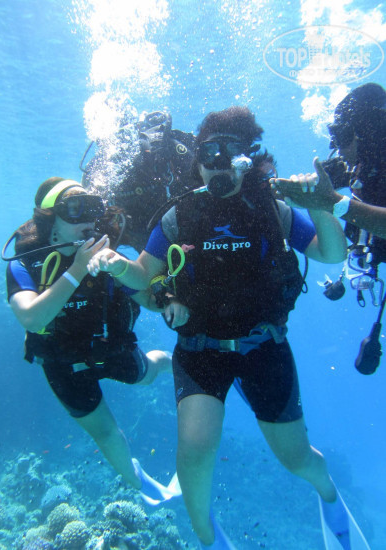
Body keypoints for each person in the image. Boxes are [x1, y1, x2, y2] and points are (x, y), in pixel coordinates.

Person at [86, 107, 370, 549]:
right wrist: (116, 265)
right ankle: (209, 538)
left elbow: (331, 254)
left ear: (246, 159)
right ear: (196, 162)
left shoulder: (272, 208)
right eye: (208, 153)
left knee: (296, 459)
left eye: (230, 152)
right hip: (200, 349)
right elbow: (143, 274)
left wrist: (321, 206)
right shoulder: (178, 216)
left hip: (264, 347)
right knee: (193, 454)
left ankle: (329, 494)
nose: (218, 163)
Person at [4, 177, 180, 505]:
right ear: (49, 220)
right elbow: (31, 318)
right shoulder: (25, 263)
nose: (87, 220)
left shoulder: (107, 256)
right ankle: (140, 484)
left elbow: (151, 301)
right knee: (105, 433)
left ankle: (179, 365)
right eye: (74, 209)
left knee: (147, 374)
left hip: (111, 347)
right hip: (62, 363)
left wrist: (126, 270)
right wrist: (77, 269)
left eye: (92, 210)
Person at [272, 83, 386, 239]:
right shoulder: (353, 167)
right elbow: (293, 190)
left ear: (367, 134)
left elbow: (326, 199)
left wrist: (333, 203)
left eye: (341, 136)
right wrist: (295, 190)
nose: (336, 148)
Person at [82, 110, 197, 252]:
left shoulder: (160, 151)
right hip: (133, 233)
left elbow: (197, 183)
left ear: (135, 130)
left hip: (172, 227)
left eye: (123, 135)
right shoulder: (98, 170)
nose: (119, 145)